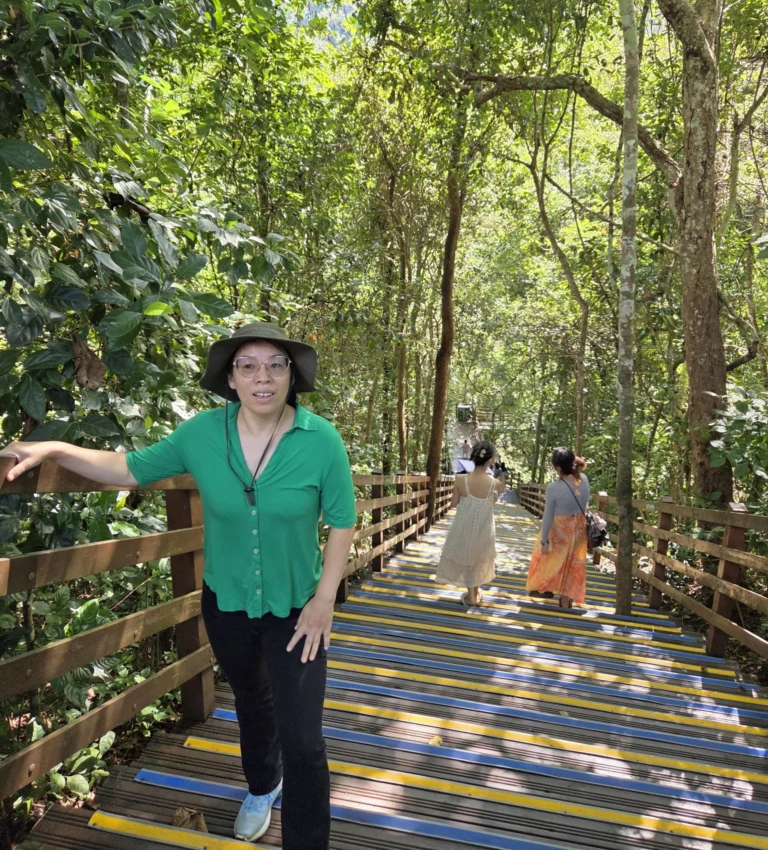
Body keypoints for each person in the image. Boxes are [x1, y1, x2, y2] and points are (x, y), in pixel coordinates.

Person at [1, 322, 357, 850]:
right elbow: (128, 469)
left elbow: (342, 520)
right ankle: (263, 785)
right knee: (252, 700)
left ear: (291, 376)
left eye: (275, 364)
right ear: (231, 379)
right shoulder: (203, 434)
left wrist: (325, 598)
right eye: (249, 365)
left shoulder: (321, 440)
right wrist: (53, 447)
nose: (263, 376)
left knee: (304, 740)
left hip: (297, 609)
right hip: (227, 605)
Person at [435, 440, 505, 607]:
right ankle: (475, 593)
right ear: (490, 461)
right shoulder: (494, 484)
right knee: (478, 557)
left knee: (466, 555)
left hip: (463, 525)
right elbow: (492, 501)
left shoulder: (461, 480)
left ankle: (471, 595)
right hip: (484, 527)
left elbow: (453, 504)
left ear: (473, 458)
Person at [526, 447, 589, 610]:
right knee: (573, 563)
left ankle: (543, 587)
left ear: (558, 467)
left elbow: (548, 516)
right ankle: (566, 600)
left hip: (560, 528)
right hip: (579, 528)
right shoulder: (584, 479)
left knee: (547, 557)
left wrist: (544, 539)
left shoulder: (554, 488)